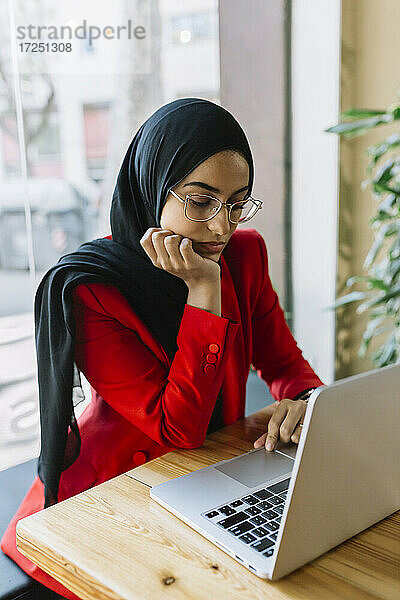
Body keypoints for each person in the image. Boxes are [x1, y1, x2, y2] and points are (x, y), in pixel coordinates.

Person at [1, 97, 324, 599]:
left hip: (212, 477)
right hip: (111, 501)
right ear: (153, 187)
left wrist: (303, 406)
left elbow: (285, 365)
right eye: (201, 202)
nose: (223, 226)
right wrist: (203, 293)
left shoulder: (246, 253)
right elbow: (179, 427)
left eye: (239, 202)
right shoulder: (92, 288)